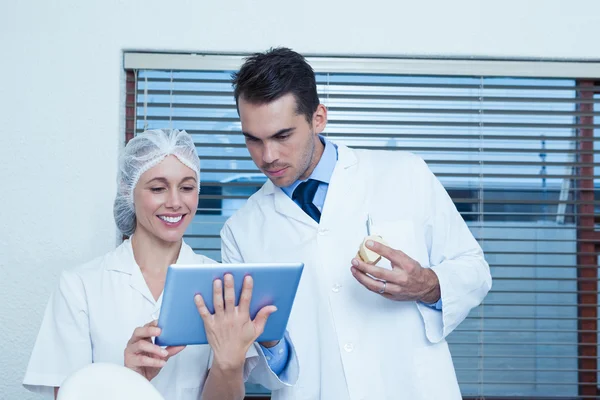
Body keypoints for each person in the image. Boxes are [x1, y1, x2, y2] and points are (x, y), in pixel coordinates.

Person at [220, 48, 492, 400]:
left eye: (282, 136)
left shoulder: (405, 174)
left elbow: (475, 271)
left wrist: (427, 284)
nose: (267, 156)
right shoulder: (241, 232)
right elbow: (262, 373)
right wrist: (270, 343)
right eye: (253, 140)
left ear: (318, 118)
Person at [23, 129, 297, 399]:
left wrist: (228, 364)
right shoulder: (79, 286)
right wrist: (126, 381)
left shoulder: (221, 284)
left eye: (187, 187)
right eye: (157, 188)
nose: (175, 202)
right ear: (127, 190)